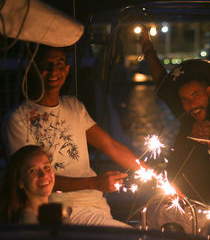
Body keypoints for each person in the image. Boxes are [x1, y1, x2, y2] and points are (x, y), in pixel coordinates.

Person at [5, 45, 147, 227]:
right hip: (62, 209)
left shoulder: (74, 105)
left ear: (67, 69)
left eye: (59, 64)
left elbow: (111, 146)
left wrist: (152, 174)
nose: (53, 71)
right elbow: (30, 177)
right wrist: (94, 183)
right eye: (45, 65)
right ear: (33, 69)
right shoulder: (18, 119)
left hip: (97, 204)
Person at [139, 28, 210, 205]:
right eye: (185, 99)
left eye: (196, 95)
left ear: (209, 92)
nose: (191, 105)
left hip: (205, 207)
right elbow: (161, 82)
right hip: (170, 200)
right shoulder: (187, 117)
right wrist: (147, 46)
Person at [0, 145, 55, 224]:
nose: (44, 175)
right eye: (32, 170)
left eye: (46, 167)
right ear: (20, 181)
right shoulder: (26, 223)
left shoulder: (56, 213)